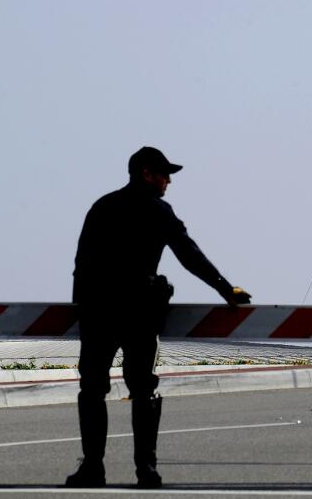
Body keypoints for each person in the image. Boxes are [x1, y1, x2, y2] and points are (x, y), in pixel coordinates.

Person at [64, 146, 251, 489]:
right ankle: (145, 470)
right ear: (146, 174)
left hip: (100, 312)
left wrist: (84, 311)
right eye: (164, 174)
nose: (169, 181)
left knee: (92, 389)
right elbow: (189, 255)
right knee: (142, 389)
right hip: (138, 312)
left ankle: (93, 468)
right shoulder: (158, 211)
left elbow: (82, 264)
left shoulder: (102, 207)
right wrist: (226, 289)